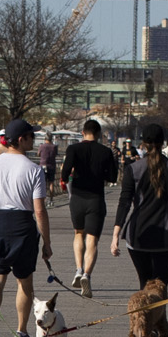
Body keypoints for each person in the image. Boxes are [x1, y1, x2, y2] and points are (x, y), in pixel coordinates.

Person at [0, 120, 49, 337]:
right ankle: (21, 331)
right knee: (24, 282)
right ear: (21, 139)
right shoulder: (34, 170)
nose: (34, 139)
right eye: (31, 135)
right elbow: (39, 210)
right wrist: (47, 242)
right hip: (22, 226)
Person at [113, 120, 168, 306]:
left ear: (143, 144)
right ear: (163, 143)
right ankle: (158, 324)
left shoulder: (133, 169)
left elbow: (124, 202)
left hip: (139, 235)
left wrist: (116, 235)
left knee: (144, 284)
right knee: (161, 286)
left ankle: (144, 324)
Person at [61, 118, 120, 293]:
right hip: (96, 198)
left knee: (79, 233)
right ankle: (87, 274)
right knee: (92, 239)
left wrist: (72, 174)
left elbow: (64, 174)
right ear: (99, 134)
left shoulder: (73, 149)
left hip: (77, 197)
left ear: (83, 133)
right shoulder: (105, 151)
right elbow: (112, 178)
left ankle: (78, 269)